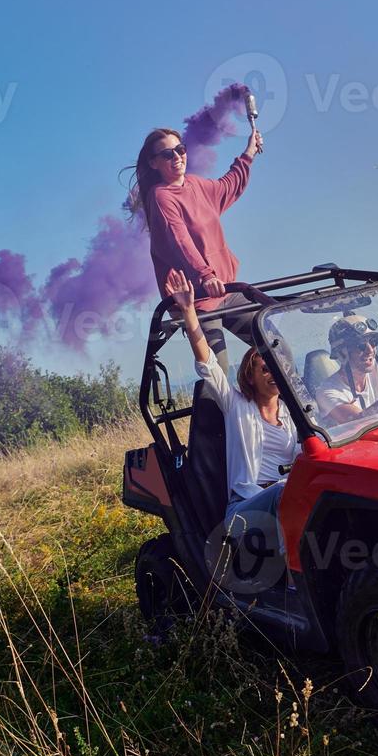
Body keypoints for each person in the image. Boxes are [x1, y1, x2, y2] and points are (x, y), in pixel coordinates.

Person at [165, 267, 294, 591]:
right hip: (247, 509)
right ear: (250, 376)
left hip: (290, 492)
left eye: (275, 368)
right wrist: (190, 312)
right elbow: (207, 362)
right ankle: (295, 587)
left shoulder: (293, 413)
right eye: (263, 369)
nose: (271, 374)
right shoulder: (236, 405)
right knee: (283, 495)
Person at [128, 126, 264, 370]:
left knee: (274, 346)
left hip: (227, 290)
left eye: (180, 150)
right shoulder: (161, 197)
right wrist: (206, 274)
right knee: (217, 371)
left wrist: (249, 153)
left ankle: (285, 406)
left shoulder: (196, 185)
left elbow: (228, 186)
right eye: (167, 154)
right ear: (153, 163)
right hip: (197, 301)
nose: (177, 157)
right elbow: (180, 241)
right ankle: (211, 409)